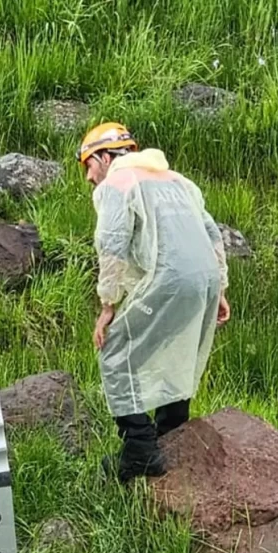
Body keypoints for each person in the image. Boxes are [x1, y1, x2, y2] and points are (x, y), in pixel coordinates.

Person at [78, 122, 231, 483]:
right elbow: (212, 232)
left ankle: (140, 450)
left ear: (103, 157)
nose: (88, 179)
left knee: (115, 352)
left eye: (88, 167)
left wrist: (107, 306)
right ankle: (172, 431)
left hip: (172, 276)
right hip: (204, 278)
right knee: (170, 346)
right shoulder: (177, 180)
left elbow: (112, 242)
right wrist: (218, 288)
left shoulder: (117, 183)